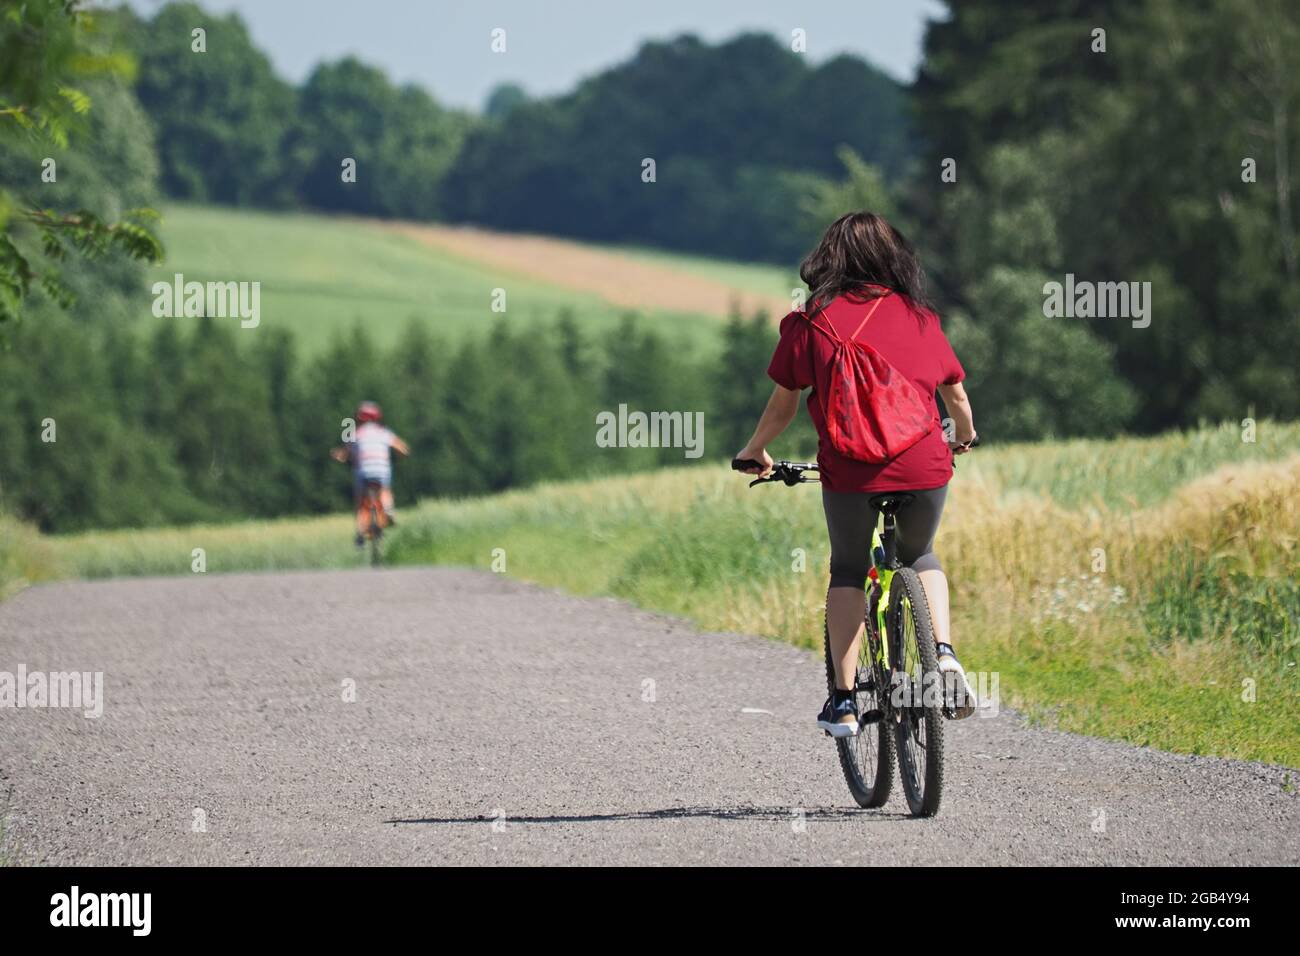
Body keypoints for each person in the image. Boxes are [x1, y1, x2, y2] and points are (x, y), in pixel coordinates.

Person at [733, 211, 978, 735]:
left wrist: (755, 449)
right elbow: (956, 394)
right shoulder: (920, 318)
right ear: (894, 259)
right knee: (921, 554)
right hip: (923, 462)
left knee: (848, 569)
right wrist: (963, 435)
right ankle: (945, 652)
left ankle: (843, 702)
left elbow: (783, 407)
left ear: (829, 259)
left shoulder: (810, 322)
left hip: (850, 468)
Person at [330, 401, 410, 547]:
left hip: (363, 471)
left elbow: (343, 454)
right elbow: (404, 449)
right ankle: (388, 509)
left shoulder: (354, 433)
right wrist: (398, 457)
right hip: (381, 468)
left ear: (359, 418)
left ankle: (360, 532)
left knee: (360, 501)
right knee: (385, 489)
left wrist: (337, 455)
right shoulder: (384, 432)